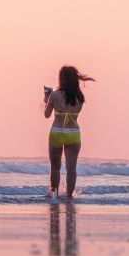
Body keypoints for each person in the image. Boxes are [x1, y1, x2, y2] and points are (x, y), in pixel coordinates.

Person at [44, 65, 94, 200]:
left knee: (55, 167)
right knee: (71, 169)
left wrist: (46, 100)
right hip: (73, 134)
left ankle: (54, 196)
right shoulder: (79, 98)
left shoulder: (54, 95)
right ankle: (69, 197)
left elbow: (47, 115)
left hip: (57, 133)